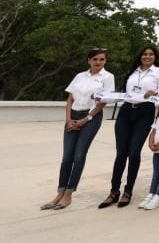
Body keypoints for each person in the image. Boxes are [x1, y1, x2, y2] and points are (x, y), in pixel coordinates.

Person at [41, 48, 114, 211]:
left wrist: (85, 119)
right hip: (73, 115)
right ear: (89, 60)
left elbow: (103, 102)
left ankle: (69, 194)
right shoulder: (80, 76)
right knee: (67, 157)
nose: (98, 62)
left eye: (102, 59)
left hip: (91, 117)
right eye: (95, 59)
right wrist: (68, 119)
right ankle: (59, 193)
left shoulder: (108, 77)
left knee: (79, 156)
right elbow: (70, 98)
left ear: (105, 61)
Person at [99, 46, 159, 209]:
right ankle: (113, 191)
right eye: (144, 54)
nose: (147, 56)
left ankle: (128, 190)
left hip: (145, 112)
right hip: (126, 111)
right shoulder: (133, 71)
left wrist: (155, 93)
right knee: (121, 154)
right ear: (140, 56)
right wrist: (101, 96)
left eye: (151, 54)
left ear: (155, 57)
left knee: (134, 152)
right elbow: (122, 92)